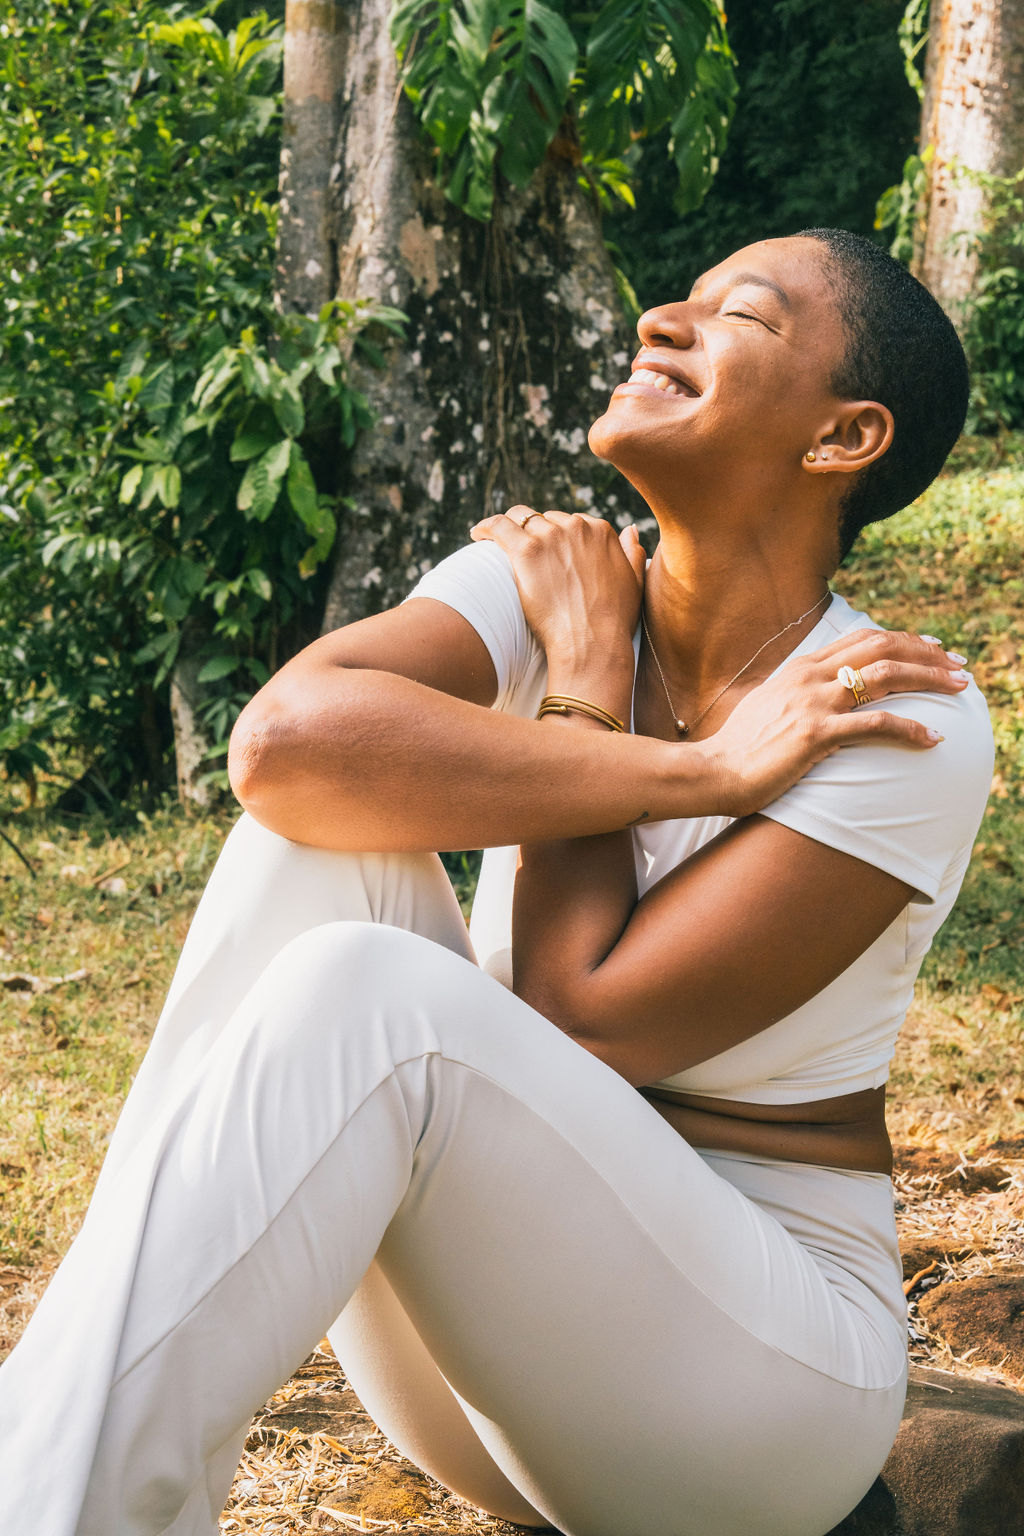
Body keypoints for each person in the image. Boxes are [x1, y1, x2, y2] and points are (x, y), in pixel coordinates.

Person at [0, 229, 994, 1536]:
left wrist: (581, 699)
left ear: (843, 438)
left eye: (736, 317)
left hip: (757, 1401)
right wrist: (688, 763)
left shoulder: (893, 709)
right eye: (676, 300)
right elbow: (283, 752)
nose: (659, 322)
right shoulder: (556, 584)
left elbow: (578, 1023)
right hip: (482, 1359)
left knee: (371, 991)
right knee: (313, 846)